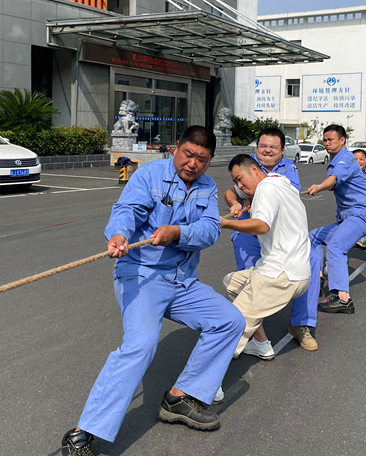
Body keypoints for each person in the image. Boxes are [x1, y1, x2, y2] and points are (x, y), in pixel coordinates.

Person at [61, 126, 245, 456]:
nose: (193, 163)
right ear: (176, 148)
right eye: (188, 154)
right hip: (142, 275)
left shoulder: (207, 186)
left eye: (201, 159)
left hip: (182, 280)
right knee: (141, 344)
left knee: (230, 321)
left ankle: (180, 397)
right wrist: (119, 235)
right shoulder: (149, 175)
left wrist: (177, 232)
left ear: (210, 160)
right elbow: (127, 210)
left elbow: (209, 230)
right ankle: (83, 433)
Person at [220, 155, 311, 362]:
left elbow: (261, 225)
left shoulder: (265, 189)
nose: (239, 186)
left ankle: (205, 376)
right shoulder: (280, 182)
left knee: (228, 330)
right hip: (298, 273)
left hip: (279, 275)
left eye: (240, 179)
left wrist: (226, 223)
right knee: (232, 283)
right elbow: (229, 193)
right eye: (236, 182)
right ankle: (261, 344)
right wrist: (235, 202)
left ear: (254, 169)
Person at [299, 125, 366, 316]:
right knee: (314, 237)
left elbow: (333, 180)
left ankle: (343, 298)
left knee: (335, 247)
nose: (327, 143)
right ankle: (317, 278)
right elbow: (336, 182)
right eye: (325, 140)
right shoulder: (338, 160)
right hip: (348, 217)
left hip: (360, 216)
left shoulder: (344, 159)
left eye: (330, 140)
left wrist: (319, 187)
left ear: (342, 141)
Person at [222, 128, 300, 270]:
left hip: (276, 231)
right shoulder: (247, 163)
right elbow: (231, 192)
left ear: (282, 150)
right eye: (263, 146)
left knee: (283, 270)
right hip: (248, 228)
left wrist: (253, 198)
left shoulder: (289, 167)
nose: (267, 150)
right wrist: (235, 203)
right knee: (248, 270)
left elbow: (292, 196)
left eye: (273, 147)